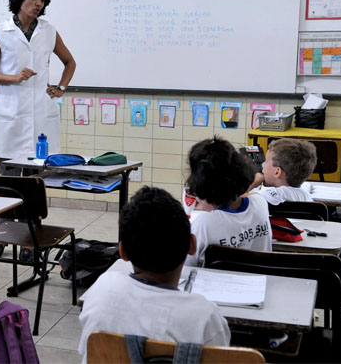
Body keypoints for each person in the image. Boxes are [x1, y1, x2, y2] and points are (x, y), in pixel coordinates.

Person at [78, 186, 230, 363]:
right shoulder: (207, 317)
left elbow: (88, 353)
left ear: (123, 252)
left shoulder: (101, 290)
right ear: (192, 245)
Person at [0, 0, 77, 173]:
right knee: (10, 180)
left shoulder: (49, 31)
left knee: (38, 180)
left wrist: (61, 88)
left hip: (41, 115)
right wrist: (15, 78)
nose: (38, 4)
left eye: (42, 0)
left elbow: (70, 62)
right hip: (11, 116)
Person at [185, 137, 271, 267]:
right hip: (260, 281)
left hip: (216, 285)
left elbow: (186, 268)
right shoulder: (260, 203)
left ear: (200, 184)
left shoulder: (203, 225)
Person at [248, 138, 317, 205]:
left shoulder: (272, 195)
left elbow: (238, 202)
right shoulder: (306, 196)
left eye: (266, 161)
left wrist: (253, 183)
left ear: (277, 172)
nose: (262, 164)